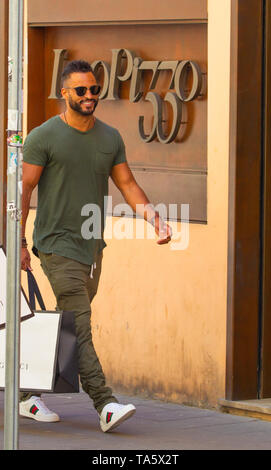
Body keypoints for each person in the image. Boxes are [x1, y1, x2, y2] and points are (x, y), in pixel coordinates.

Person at [20, 60, 172, 432]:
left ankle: (24, 396)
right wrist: (18, 242)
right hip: (55, 245)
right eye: (81, 91)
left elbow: (128, 184)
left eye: (94, 89)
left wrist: (154, 218)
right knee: (81, 324)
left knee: (68, 324)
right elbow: (23, 189)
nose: (90, 96)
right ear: (65, 94)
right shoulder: (43, 137)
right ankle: (104, 404)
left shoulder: (109, 137)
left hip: (92, 248)